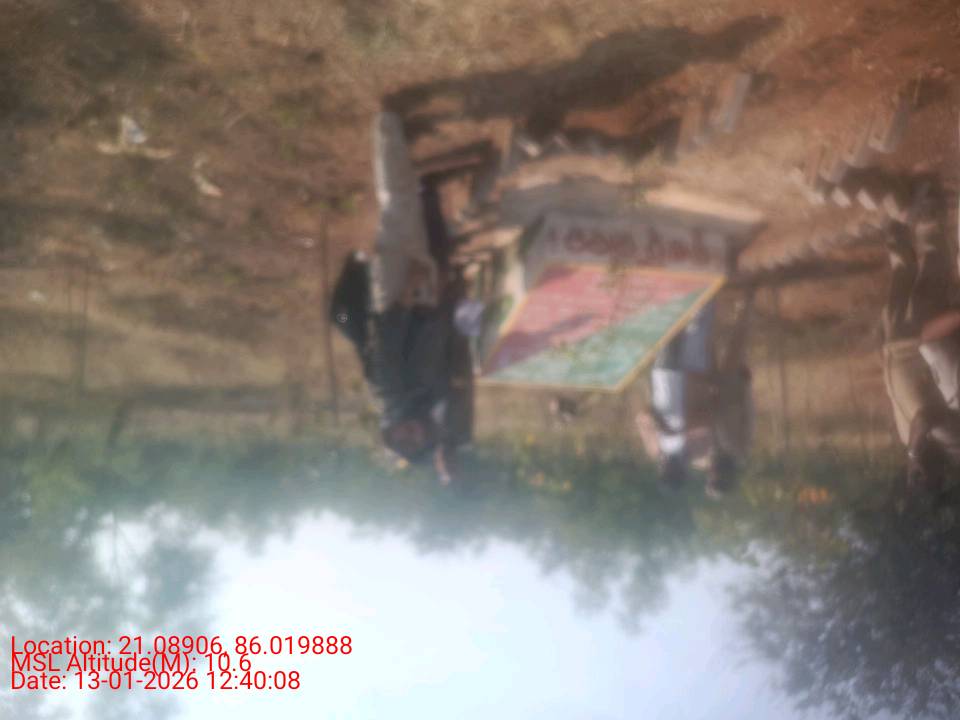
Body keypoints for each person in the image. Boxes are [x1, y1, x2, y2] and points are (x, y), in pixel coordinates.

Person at [330, 111, 476, 483]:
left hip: (398, 292)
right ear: (427, 436)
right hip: (426, 298)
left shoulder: (390, 396)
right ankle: (399, 141)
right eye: (415, 440)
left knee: (397, 205)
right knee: (408, 212)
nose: (409, 434)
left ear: (391, 432)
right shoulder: (426, 400)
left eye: (401, 439)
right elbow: (438, 345)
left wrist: (410, 293)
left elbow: (386, 340)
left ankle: (387, 123)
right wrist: (443, 299)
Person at [635, 291, 754, 497]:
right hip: (697, 377)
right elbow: (714, 417)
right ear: (684, 473)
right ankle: (713, 285)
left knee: (670, 326)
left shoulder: (655, 449)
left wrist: (660, 426)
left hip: (666, 375)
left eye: (667, 472)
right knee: (701, 326)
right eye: (675, 473)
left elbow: (642, 415)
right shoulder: (700, 453)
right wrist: (681, 432)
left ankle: (677, 286)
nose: (670, 468)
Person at [880, 190, 960, 492]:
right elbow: (927, 415)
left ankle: (899, 214)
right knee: (930, 278)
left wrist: (913, 453)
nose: (919, 473)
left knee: (903, 274)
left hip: (896, 348)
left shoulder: (914, 441)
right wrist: (914, 455)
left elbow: (906, 402)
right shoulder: (951, 444)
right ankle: (928, 214)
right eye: (925, 476)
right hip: (919, 343)